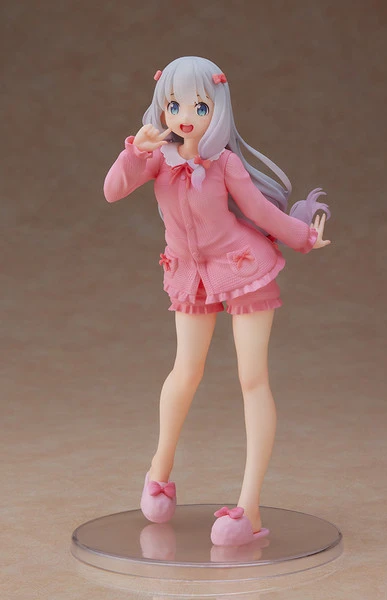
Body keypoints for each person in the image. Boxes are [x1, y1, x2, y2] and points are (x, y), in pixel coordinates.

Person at [104, 56, 331, 546]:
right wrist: (134, 151)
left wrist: (303, 237)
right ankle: (158, 471)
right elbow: (112, 191)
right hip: (190, 275)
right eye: (175, 105)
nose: (186, 116)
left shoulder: (225, 163)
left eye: (200, 106)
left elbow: (260, 212)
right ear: (162, 108)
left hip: (243, 269)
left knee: (252, 379)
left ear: (218, 110)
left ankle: (249, 509)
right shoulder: (156, 159)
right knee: (185, 370)